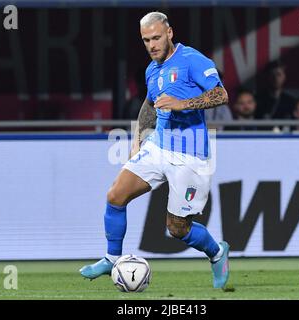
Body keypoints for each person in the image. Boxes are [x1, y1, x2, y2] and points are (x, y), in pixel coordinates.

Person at [79, 12, 230, 289]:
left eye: (157, 37)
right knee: (115, 195)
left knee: (177, 229)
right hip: (158, 146)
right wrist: (138, 139)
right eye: (146, 40)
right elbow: (150, 104)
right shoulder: (152, 69)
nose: (152, 45)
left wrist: (182, 104)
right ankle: (112, 258)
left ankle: (217, 252)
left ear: (170, 33)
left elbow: (221, 94)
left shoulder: (192, 60)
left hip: (190, 155)